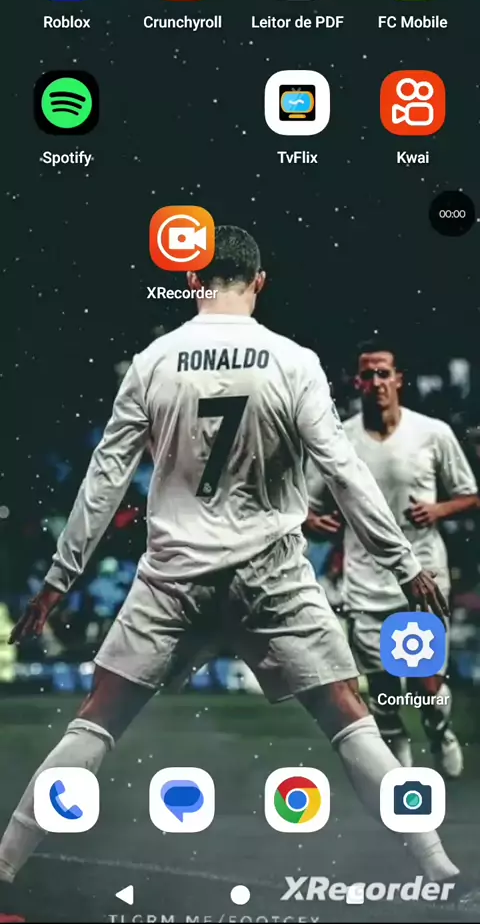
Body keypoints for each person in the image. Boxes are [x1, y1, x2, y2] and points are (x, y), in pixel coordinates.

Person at [0, 228, 468, 917]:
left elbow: (105, 478)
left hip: (174, 575)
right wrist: (403, 562)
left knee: (97, 720)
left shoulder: (153, 361)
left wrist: (58, 579)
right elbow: (343, 471)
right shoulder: (294, 361)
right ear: (260, 282)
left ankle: (5, 864)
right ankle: (437, 865)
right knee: (349, 717)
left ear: (193, 281)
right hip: (271, 572)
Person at [305, 339, 478, 775]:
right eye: (368, 374)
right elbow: (305, 504)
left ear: (399, 379)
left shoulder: (432, 433)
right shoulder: (339, 441)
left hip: (423, 574)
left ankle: (438, 729)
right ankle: (398, 770)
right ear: (356, 382)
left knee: (424, 684)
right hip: (365, 580)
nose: (377, 381)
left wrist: (438, 510)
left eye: (384, 373)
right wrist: (312, 521)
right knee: (382, 691)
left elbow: (470, 495)